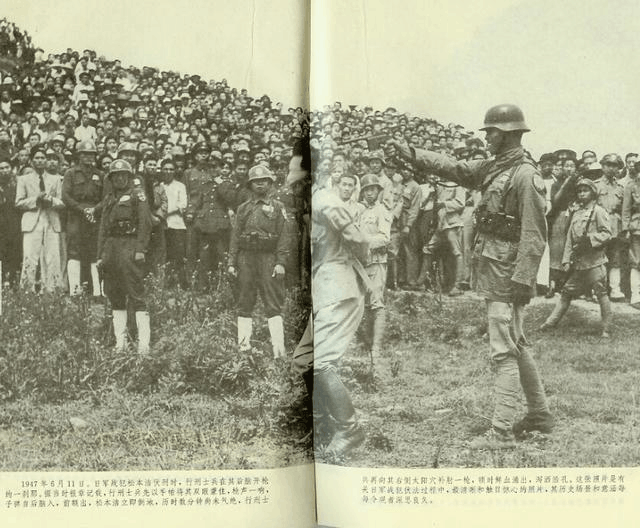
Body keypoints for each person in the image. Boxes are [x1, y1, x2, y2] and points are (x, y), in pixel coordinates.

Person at [391, 103, 553, 448]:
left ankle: (502, 432)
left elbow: (534, 234)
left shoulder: (524, 174)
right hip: (497, 267)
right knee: (516, 342)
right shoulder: (496, 167)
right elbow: (455, 168)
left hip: (508, 274)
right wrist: (413, 153)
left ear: (508, 133)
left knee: (502, 350)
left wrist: (523, 281)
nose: (487, 137)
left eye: (491, 132)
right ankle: (540, 414)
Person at [227, 165, 290, 359]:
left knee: (272, 302)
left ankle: (279, 351)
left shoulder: (278, 207)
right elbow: (235, 237)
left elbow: (284, 237)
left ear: (270, 183)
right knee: (244, 300)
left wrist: (280, 262)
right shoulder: (243, 208)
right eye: (256, 180)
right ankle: (244, 350)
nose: (260, 183)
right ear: (250, 184)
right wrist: (231, 262)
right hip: (246, 258)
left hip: (268, 257)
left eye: (264, 180)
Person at [540, 179, 612, 336]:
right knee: (566, 292)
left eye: (585, 190)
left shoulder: (598, 211)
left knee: (601, 293)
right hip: (579, 263)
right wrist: (566, 259)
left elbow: (607, 233)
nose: (582, 193)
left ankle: (606, 328)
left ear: (593, 192)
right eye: (579, 191)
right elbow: (569, 240)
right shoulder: (576, 213)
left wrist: (591, 239)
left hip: (594, 261)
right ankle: (550, 322)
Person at [96, 159, 152, 354]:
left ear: (129, 177)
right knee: (114, 293)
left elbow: (146, 224)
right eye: (116, 175)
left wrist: (140, 250)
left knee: (136, 293)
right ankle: (121, 343)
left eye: (123, 175)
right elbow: (103, 228)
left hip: (130, 246)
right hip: (111, 248)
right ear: (111, 179)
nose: (120, 178)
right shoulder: (109, 198)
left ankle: (144, 345)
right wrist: (100, 255)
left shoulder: (138, 196)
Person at [15, 146, 64, 292]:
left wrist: (51, 200)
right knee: (30, 257)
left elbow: (61, 202)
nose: (40, 160)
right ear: (31, 160)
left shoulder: (56, 179)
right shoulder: (23, 179)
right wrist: (36, 199)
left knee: (53, 257)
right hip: (32, 220)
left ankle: (52, 290)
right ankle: (26, 291)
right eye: (37, 158)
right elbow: (18, 202)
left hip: (51, 219)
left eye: (43, 158)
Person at [61, 140, 103, 296]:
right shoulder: (71, 173)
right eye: (84, 154)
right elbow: (65, 196)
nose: (88, 157)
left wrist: (94, 210)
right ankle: (75, 291)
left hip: (94, 217)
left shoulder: (100, 174)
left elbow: (105, 197)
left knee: (95, 252)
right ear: (79, 156)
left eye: (91, 154)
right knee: (74, 252)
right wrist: (81, 210)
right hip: (76, 216)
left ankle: (98, 292)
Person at [356, 173, 391, 359]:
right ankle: (366, 341)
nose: (370, 193)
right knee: (363, 303)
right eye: (367, 190)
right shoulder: (361, 211)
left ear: (379, 191)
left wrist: (364, 241)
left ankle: (376, 347)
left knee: (376, 303)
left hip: (377, 262)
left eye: (373, 189)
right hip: (362, 263)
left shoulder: (382, 211)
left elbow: (385, 238)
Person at [621, 161, 640, 308]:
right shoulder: (631, 186)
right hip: (637, 227)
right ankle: (635, 297)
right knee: (636, 262)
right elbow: (626, 210)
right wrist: (626, 229)